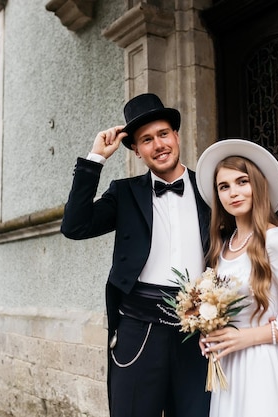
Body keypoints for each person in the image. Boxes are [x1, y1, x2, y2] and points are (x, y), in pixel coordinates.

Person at [60, 93, 211, 417]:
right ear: (137, 151)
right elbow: (75, 226)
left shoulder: (210, 190)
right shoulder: (124, 193)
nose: (158, 145)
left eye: (163, 134)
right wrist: (95, 159)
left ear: (176, 136)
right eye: (146, 140)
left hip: (198, 330)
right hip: (139, 328)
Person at [194, 138, 278, 417]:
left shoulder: (274, 241)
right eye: (224, 186)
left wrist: (247, 337)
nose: (234, 192)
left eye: (242, 182)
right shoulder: (223, 247)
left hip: (262, 367)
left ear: (257, 185)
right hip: (229, 371)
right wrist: (211, 334)